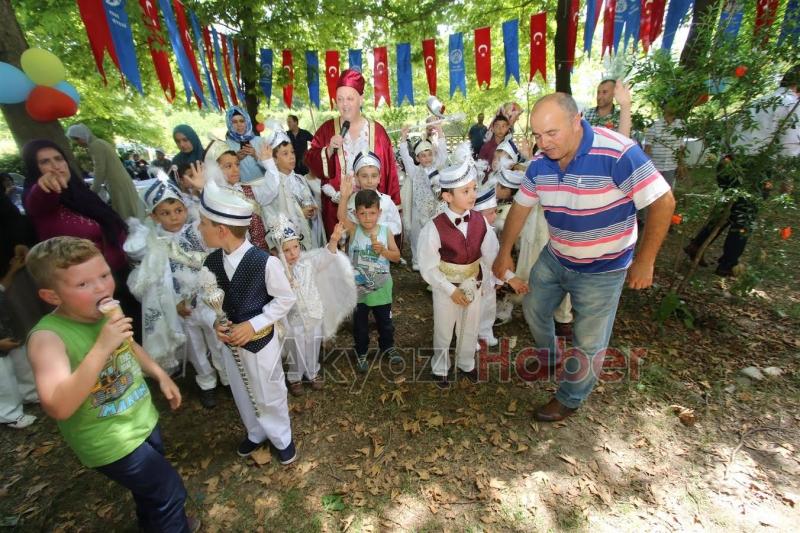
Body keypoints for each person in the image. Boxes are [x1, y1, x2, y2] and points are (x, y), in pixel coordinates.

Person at [493, 93, 675, 422]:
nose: (543, 143)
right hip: (557, 255)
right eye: (536, 135)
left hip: (603, 269)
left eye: (551, 133)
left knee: (588, 340)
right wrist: (504, 252)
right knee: (533, 307)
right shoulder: (539, 164)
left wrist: (645, 260)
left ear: (577, 121)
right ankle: (549, 356)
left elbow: (663, 201)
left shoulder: (618, 153)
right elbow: (520, 207)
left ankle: (569, 398)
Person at [25, 236, 190, 532]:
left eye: (103, 275)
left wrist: (160, 374)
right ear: (52, 296)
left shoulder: (101, 312)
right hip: (110, 441)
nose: (101, 287)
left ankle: (154, 525)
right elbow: (58, 406)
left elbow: (128, 346)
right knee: (168, 491)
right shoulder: (47, 339)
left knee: (150, 492)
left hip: (142, 420)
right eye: (83, 284)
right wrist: (101, 347)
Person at [198, 182, 297, 462]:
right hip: (231, 344)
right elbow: (206, 302)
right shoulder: (210, 263)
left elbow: (285, 299)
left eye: (202, 223)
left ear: (222, 230)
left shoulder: (265, 262)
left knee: (269, 390)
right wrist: (214, 323)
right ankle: (255, 432)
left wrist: (254, 324)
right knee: (242, 391)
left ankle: (281, 436)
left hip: (260, 342)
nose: (198, 228)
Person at [124, 175, 229, 408]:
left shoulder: (196, 230)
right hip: (180, 307)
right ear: (154, 216)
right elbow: (157, 279)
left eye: (178, 210)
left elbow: (211, 256)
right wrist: (177, 302)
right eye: (165, 212)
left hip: (208, 299)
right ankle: (207, 382)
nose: (174, 217)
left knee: (218, 340)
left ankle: (227, 378)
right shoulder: (154, 242)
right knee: (195, 347)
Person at [21, 140, 141, 340]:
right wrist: (45, 188)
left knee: (132, 333)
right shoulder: (41, 202)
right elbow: (38, 200)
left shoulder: (81, 193)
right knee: (111, 341)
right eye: (45, 162)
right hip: (85, 289)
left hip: (116, 277)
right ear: (35, 169)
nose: (55, 166)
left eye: (59, 159)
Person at [685, 68, 799, 276]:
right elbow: (789, 146)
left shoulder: (761, 100)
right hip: (753, 165)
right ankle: (728, 263)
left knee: (726, 209)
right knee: (744, 216)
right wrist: (786, 176)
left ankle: (698, 245)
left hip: (730, 160)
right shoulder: (791, 105)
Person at [417, 143, 500, 389]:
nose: (473, 195)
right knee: (444, 327)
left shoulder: (480, 222)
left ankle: (466, 363)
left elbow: (490, 253)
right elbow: (428, 266)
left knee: (470, 325)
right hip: (445, 287)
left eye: (473, 188)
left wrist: (488, 280)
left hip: (471, 283)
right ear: (447, 196)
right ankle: (440, 366)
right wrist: (450, 289)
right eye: (465, 191)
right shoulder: (434, 227)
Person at [305, 69, 401, 237]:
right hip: (338, 209)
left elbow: (389, 173)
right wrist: (328, 151)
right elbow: (310, 162)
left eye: (350, 98)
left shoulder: (378, 132)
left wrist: (394, 205)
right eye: (340, 99)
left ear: (361, 99)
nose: (345, 104)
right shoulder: (326, 130)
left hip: (373, 210)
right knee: (342, 259)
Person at [268, 215, 356, 396]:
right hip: (294, 319)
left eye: (295, 247)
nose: (293, 253)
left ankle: (313, 371)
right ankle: (295, 377)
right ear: (276, 252)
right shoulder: (276, 272)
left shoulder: (308, 262)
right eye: (287, 250)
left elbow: (326, 257)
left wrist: (333, 240)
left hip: (314, 315)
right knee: (296, 347)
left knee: (313, 344)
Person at [336, 187, 402, 372]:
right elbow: (341, 216)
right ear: (356, 214)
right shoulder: (354, 230)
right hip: (359, 289)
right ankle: (361, 351)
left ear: (379, 212)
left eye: (372, 213)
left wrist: (384, 251)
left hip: (381, 288)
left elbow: (396, 256)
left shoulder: (384, 231)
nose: (367, 217)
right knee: (360, 325)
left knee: (385, 322)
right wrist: (343, 196)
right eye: (362, 213)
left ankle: (388, 346)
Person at [185, 140, 278, 252]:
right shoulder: (213, 199)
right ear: (214, 170)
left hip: (262, 254)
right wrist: (203, 189)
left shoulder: (247, 189)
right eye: (228, 166)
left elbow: (272, 190)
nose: (235, 170)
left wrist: (269, 162)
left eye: (237, 164)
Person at [66, 124, 145, 220]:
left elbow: (100, 170)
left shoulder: (95, 146)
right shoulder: (101, 142)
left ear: (82, 136)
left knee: (125, 212)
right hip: (120, 181)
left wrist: (93, 191)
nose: (77, 143)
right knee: (129, 209)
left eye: (77, 139)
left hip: (116, 183)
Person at [262, 126, 323, 248]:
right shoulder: (272, 185)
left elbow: (308, 201)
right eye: (285, 154)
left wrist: (313, 209)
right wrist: (301, 213)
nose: (291, 157)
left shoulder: (300, 179)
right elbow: (274, 217)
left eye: (292, 152)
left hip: (310, 235)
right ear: (274, 159)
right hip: (291, 244)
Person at [398, 126, 447, 271]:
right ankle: (417, 259)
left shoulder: (437, 166)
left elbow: (443, 153)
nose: (426, 158)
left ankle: (435, 258)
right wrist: (403, 137)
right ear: (418, 158)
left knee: (435, 234)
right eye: (422, 155)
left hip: (435, 208)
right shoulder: (414, 171)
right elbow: (405, 156)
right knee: (416, 234)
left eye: (429, 154)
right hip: (417, 209)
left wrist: (440, 131)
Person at [0, 250, 37, 429]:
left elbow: (1, 288)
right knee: (3, 379)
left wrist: (13, 270)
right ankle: (10, 415)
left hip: (7, 331)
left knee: (22, 363)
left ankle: (29, 393)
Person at [225, 106, 269, 184]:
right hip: (242, 189)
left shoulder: (259, 141)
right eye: (234, 122)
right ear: (229, 124)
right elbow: (224, 173)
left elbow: (271, 166)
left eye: (242, 121)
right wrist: (236, 159)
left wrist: (255, 155)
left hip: (263, 186)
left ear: (247, 122)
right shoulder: (225, 145)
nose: (239, 124)